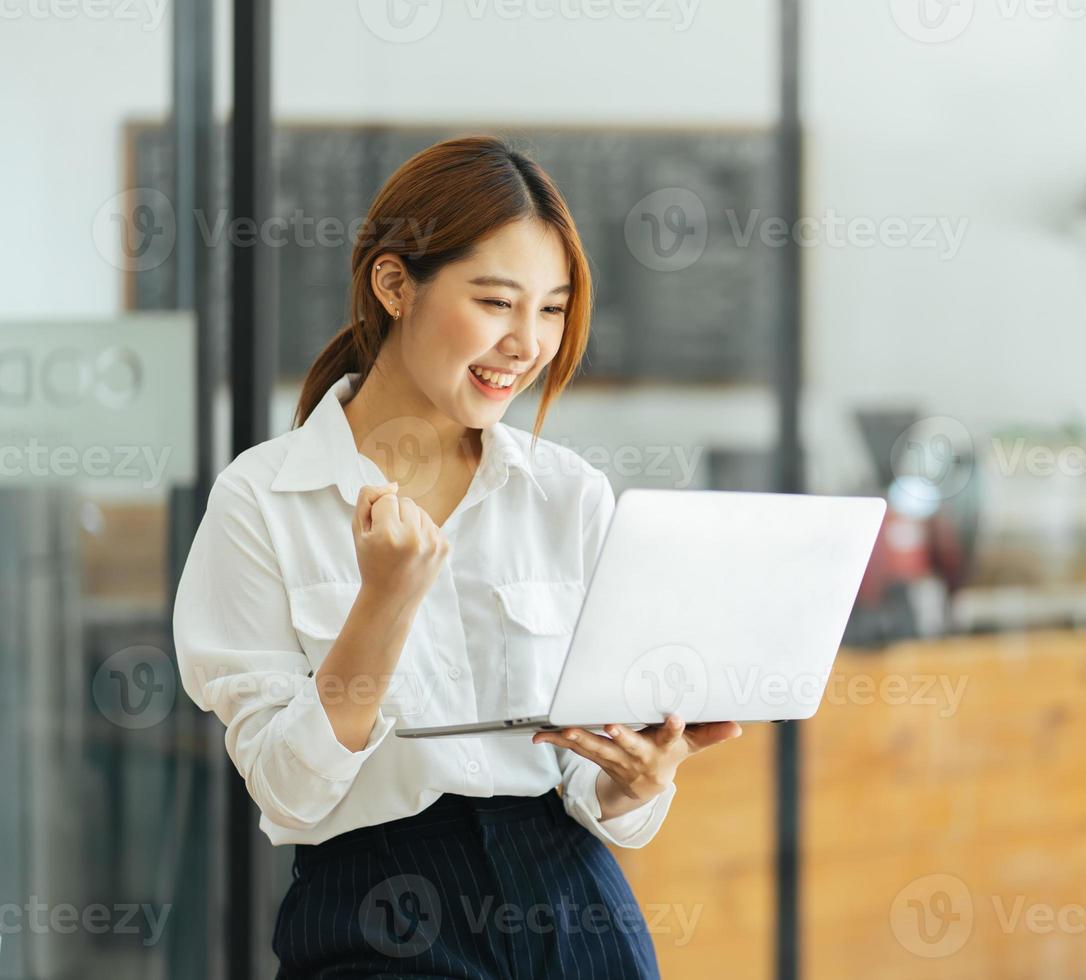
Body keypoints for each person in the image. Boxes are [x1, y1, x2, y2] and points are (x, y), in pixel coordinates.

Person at [172, 135, 741, 978]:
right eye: (496, 302)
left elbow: (591, 795)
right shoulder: (264, 499)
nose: (528, 342)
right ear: (395, 283)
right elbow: (290, 789)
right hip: (377, 911)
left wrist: (638, 776)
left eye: (551, 309)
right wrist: (383, 603)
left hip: (574, 905)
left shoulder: (567, 495)